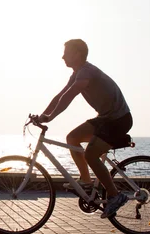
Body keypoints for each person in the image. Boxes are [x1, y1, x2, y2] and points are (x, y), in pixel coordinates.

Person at [38, 39, 133, 219]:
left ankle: (115, 195)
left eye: (66, 52)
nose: (62, 56)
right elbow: (60, 96)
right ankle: (87, 182)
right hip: (105, 119)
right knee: (72, 138)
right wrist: (43, 115)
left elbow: (70, 95)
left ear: (78, 54)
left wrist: (50, 117)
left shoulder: (87, 72)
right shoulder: (76, 74)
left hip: (118, 120)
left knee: (91, 154)